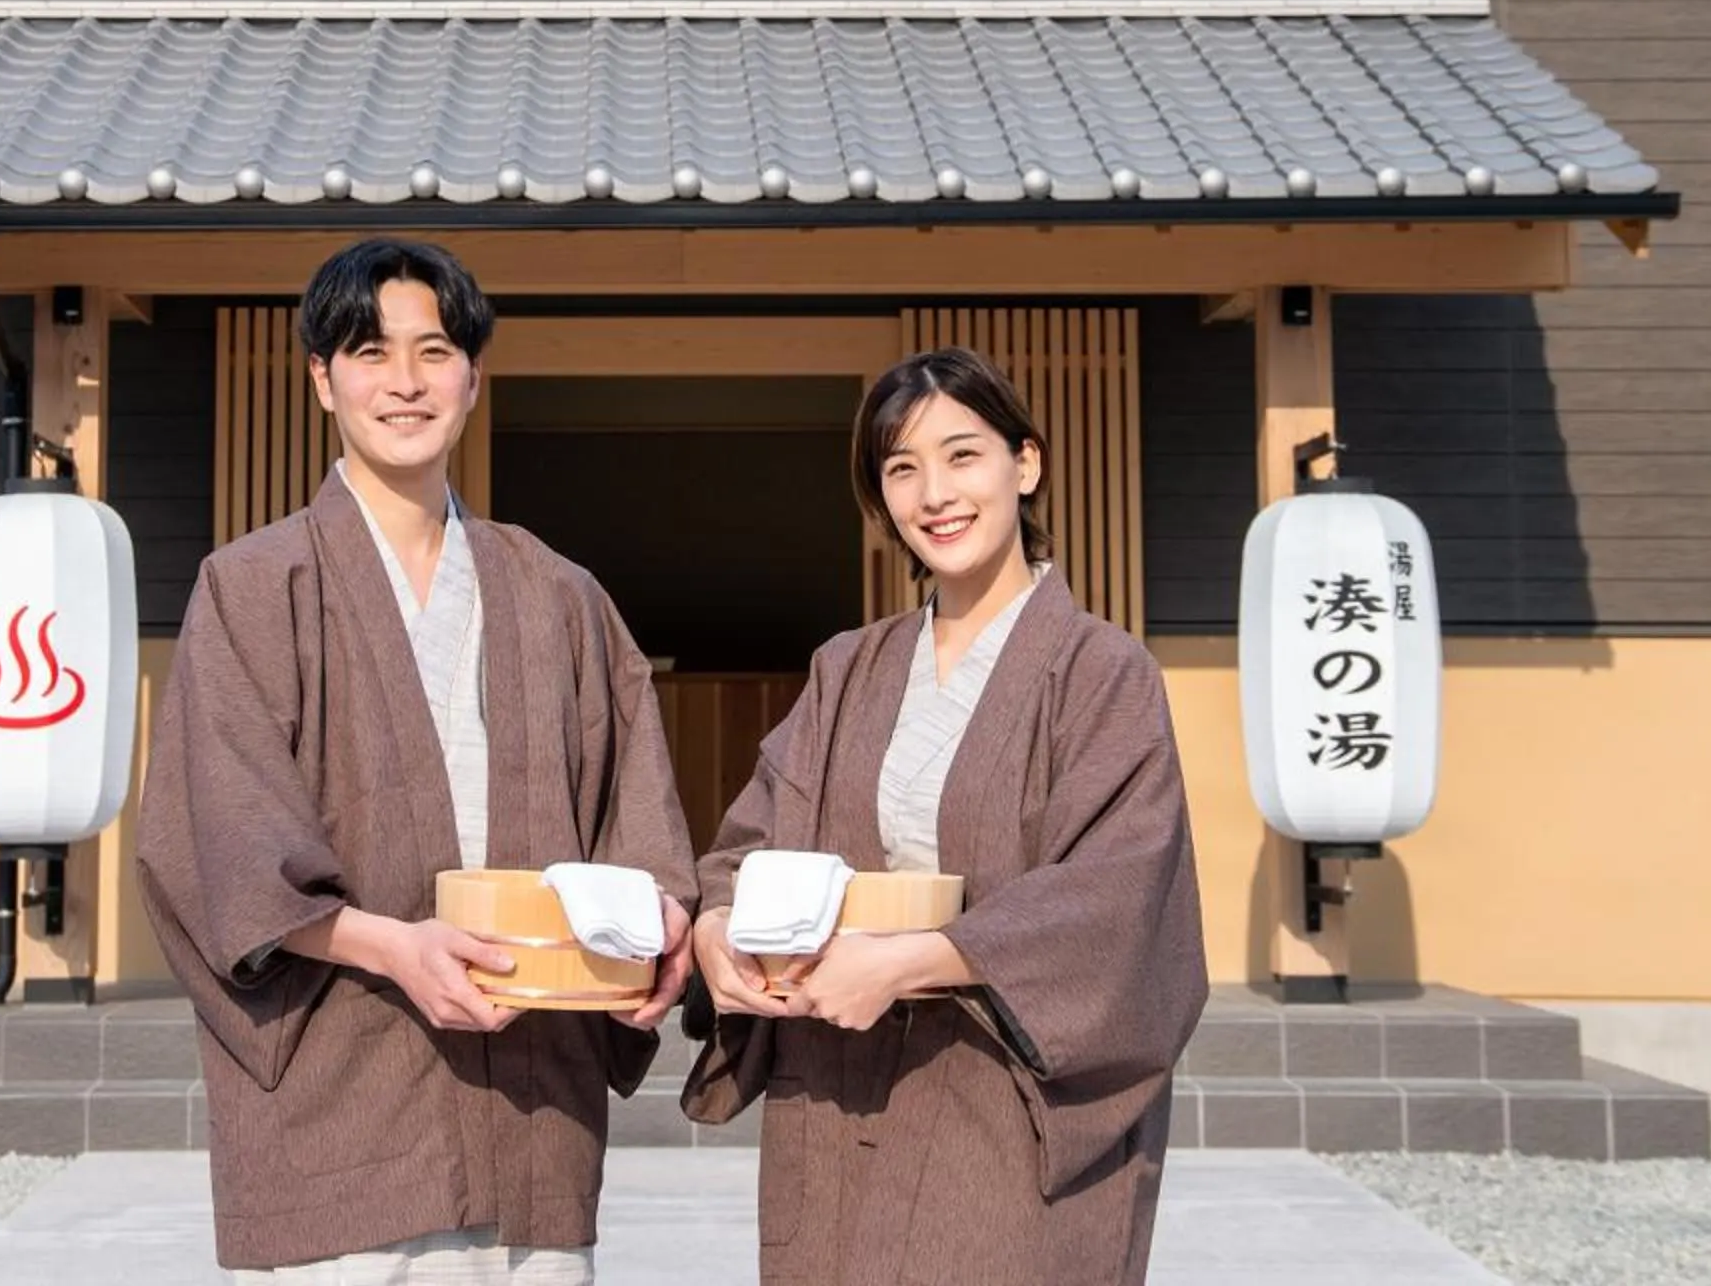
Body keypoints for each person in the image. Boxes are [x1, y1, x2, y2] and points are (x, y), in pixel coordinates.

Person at [136, 238, 697, 1282]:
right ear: (322, 378)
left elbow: (637, 815)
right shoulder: (253, 586)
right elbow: (220, 838)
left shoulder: (558, 593)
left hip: (534, 1096)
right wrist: (393, 947)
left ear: (473, 376)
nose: (405, 381)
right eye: (370, 351)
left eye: (434, 351)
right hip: (343, 1088)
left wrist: (660, 922)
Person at [681, 346, 1207, 1283]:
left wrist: (909, 962)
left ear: (1025, 463)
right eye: (902, 469)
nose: (935, 495)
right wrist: (716, 930)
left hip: (1001, 1098)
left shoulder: (1102, 672)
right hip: (834, 1093)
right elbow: (749, 844)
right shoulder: (848, 668)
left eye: (963, 455)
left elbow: (1118, 895)